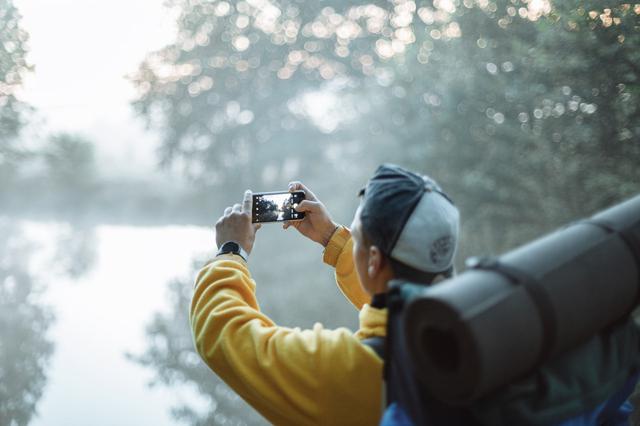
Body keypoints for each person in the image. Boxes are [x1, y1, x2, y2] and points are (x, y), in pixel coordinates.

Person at [189, 164, 460, 425]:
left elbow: (225, 334)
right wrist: (332, 237)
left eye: (357, 238)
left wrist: (231, 250)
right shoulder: (470, 321)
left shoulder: (350, 373)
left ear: (374, 261)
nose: (354, 244)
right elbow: (391, 297)